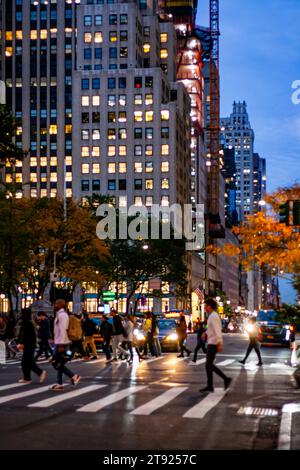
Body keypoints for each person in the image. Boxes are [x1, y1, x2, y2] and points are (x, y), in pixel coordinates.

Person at [200, 298, 232, 393]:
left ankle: (225, 379)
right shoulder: (212, 316)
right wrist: (205, 332)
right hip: (211, 342)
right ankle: (210, 385)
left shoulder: (213, 316)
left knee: (208, 364)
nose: (204, 307)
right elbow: (210, 327)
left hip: (213, 343)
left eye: (205, 305)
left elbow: (218, 330)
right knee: (208, 365)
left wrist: (219, 343)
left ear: (209, 306)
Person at [51, 299, 80, 391]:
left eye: (55, 303)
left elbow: (63, 330)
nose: (54, 305)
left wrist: (61, 345)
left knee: (56, 363)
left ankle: (74, 376)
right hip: (59, 342)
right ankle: (60, 383)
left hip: (62, 343)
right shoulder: (60, 315)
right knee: (59, 364)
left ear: (60, 305)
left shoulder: (62, 316)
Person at [17, 308, 47, 384]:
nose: (20, 314)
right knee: (26, 362)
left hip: (29, 345)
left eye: (22, 313)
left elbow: (27, 335)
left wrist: (22, 343)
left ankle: (39, 373)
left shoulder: (28, 323)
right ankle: (27, 378)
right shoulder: (26, 322)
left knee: (28, 362)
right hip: (29, 345)